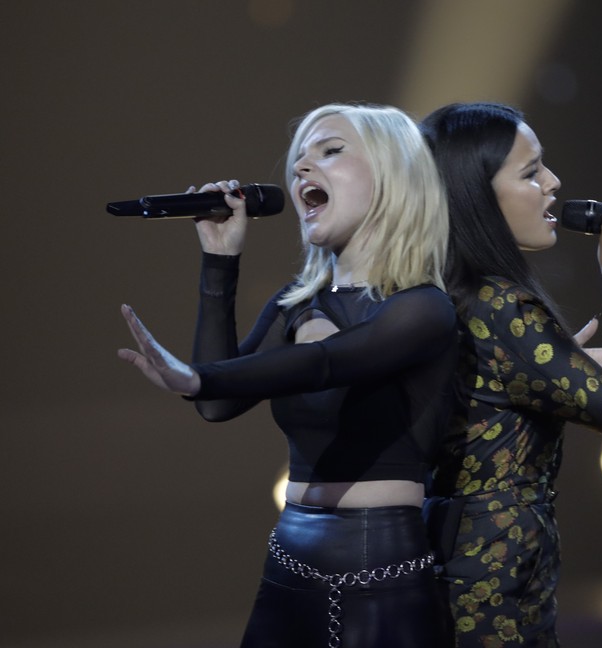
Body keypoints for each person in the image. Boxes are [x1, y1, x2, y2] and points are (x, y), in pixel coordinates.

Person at [118, 103, 457, 648]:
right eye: (299, 158)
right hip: (291, 555)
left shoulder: (422, 308)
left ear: (395, 174)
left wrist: (199, 378)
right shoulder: (295, 303)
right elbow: (219, 404)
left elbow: (326, 364)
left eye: (330, 151)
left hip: (381, 562)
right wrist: (219, 260)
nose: (301, 169)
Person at [418, 102, 602, 647]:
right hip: (490, 575)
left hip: (472, 559)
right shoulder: (498, 303)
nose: (553, 184)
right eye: (531, 173)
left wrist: (560, 358)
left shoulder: (452, 289)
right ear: (475, 195)